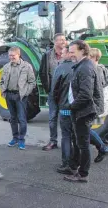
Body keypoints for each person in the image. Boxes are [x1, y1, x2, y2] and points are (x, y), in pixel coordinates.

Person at [64, 40, 103, 183]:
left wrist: (71, 106)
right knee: (78, 141)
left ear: (82, 50)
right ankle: (74, 167)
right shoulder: (81, 65)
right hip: (80, 109)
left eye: (73, 51)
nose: (70, 54)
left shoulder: (85, 67)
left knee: (83, 144)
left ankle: (83, 174)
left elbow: (86, 95)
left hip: (84, 110)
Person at [0, 46, 36, 150]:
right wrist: (4, 91)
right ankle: (14, 138)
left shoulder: (26, 66)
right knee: (13, 118)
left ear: (18, 55)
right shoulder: (6, 67)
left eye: (13, 55)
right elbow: (2, 81)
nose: (11, 57)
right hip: (9, 95)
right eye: (9, 55)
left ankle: (21, 139)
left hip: (20, 96)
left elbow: (32, 82)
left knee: (22, 118)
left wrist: (25, 92)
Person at [40, 33, 67, 151]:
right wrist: (48, 88)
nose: (63, 41)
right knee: (52, 117)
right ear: (55, 42)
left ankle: (67, 141)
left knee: (66, 117)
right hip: (53, 92)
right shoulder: (47, 55)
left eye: (64, 40)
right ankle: (53, 141)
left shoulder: (69, 54)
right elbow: (42, 73)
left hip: (66, 92)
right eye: (60, 40)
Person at [52, 46, 76, 174]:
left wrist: (58, 103)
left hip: (65, 108)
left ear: (69, 53)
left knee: (66, 136)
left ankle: (66, 164)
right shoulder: (81, 67)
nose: (60, 54)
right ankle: (76, 162)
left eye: (63, 52)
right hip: (78, 109)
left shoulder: (61, 68)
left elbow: (55, 90)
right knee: (76, 137)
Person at [88, 48, 108, 163]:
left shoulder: (96, 71)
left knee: (88, 130)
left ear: (95, 58)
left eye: (90, 57)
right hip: (101, 105)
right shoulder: (102, 68)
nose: (88, 59)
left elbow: (96, 90)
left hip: (96, 106)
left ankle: (102, 148)